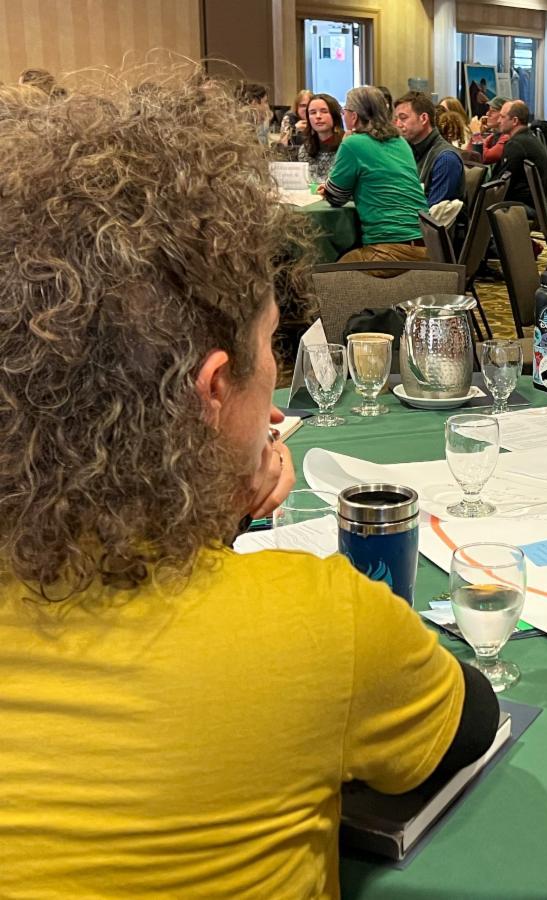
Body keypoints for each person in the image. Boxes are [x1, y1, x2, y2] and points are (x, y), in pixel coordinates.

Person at [0, 72, 500, 898]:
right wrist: (219, 514)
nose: (276, 372)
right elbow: (467, 718)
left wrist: (205, 510)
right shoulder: (320, 620)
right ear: (213, 391)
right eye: (272, 347)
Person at [323, 86, 429, 266]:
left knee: (321, 276)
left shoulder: (353, 144)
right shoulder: (401, 142)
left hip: (390, 249)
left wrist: (329, 187)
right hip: (427, 244)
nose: (343, 116)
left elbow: (335, 197)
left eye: (345, 112)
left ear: (354, 117)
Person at [394, 90, 464, 207]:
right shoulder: (409, 150)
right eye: (396, 119)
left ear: (424, 118)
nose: (398, 124)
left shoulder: (446, 159)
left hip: (425, 223)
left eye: (403, 118)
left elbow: (433, 215)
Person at [492, 100, 547, 214]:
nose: (499, 121)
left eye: (503, 117)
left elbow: (502, 184)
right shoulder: (530, 139)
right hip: (537, 206)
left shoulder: (516, 145)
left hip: (523, 207)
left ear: (514, 121)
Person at [297, 93, 344, 181]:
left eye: (324, 111)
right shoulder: (305, 149)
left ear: (334, 115)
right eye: (313, 113)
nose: (318, 116)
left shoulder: (346, 145)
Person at [471, 96, 510, 164]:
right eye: (489, 110)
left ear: (503, 114)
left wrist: (476, 134)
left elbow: (484, 158)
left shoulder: (508, 136)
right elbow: (469, 153)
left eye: (493, 111)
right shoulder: (494, 135)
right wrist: (479, 132)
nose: (487, 114)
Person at [237, 81, 271, 146]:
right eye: (266, 102)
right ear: (254, 102)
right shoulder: (244, 132)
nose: (267, 107)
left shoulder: (258, 124)